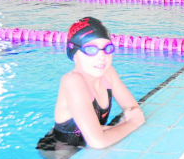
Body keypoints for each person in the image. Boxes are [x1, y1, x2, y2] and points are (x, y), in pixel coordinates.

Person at [37, 17, 145, 151]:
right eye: (90, 49)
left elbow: (133, 109)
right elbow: (97, 141)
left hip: (85, 146)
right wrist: (132, 123)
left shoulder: (108, 72)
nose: (101, 56)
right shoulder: (72, 81)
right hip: (60, 152)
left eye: (107, 48)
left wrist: (113, 128)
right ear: (74, 54)